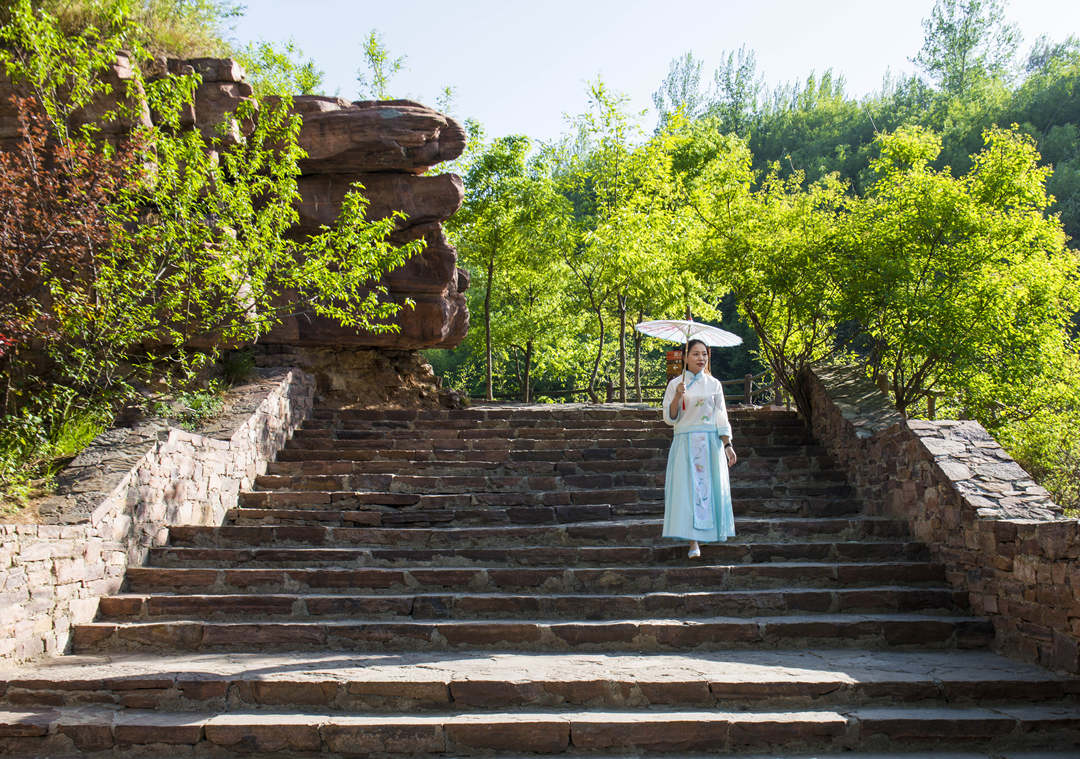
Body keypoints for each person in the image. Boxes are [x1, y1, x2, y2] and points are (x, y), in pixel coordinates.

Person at [661, 339, 737, 558]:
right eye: (695, 354)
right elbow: (670, 417)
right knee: (688, 490)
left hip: (710, 443)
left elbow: (720, 415)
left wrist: (727, 444)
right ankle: (693, 542)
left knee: (709, 489)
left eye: (704, 354)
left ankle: (710, 533)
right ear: (685, 357)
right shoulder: (675, 383)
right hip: (685, 442)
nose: (701, 358)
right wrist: (677, 395)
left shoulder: (714, 384)